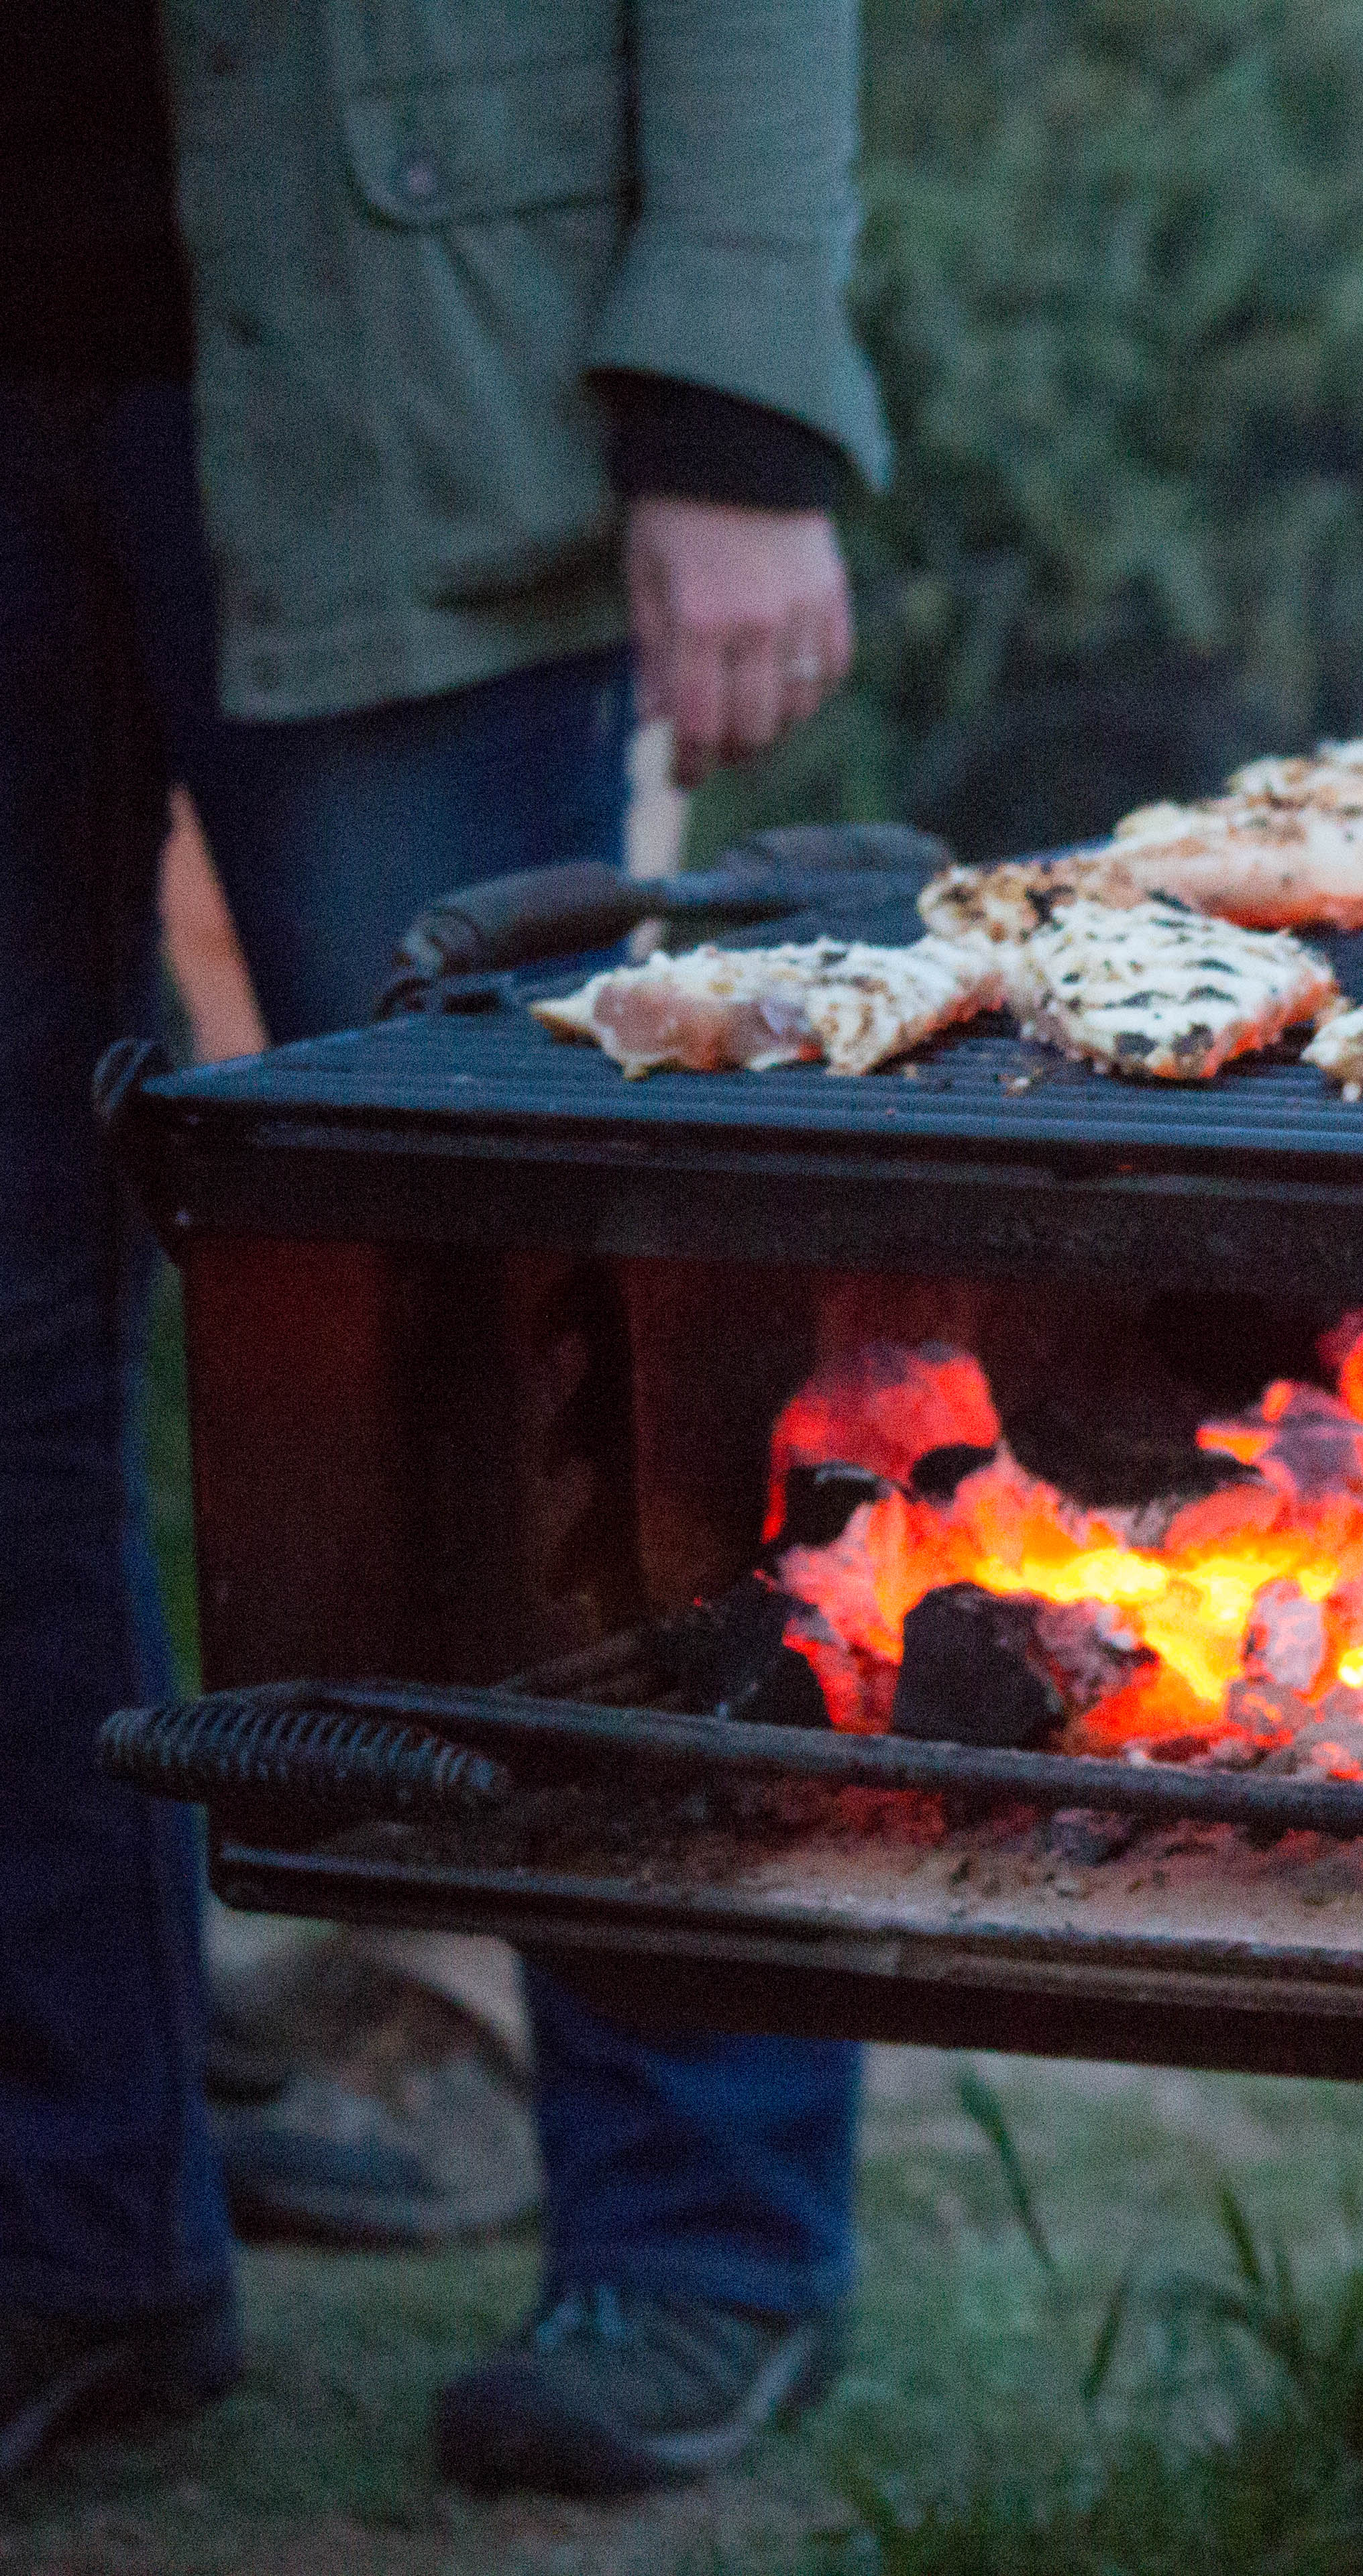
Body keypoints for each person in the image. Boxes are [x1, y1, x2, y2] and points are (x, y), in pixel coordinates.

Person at [4, 1, 886, 2497]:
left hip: (407, 379)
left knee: (536, 1333)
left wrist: (738, 393)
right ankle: (71, 2232)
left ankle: (705, 2231)